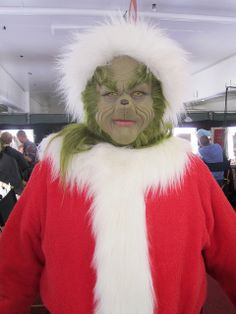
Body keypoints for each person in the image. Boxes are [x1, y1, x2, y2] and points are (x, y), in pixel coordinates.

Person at [0, 18, 235, 314]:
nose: (124, 102)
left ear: (161, 102)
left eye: (139, 93)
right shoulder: (55, 171)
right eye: (109, 93)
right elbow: (13, 265)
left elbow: (231, 254)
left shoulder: (188, 172)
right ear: (89, 102)